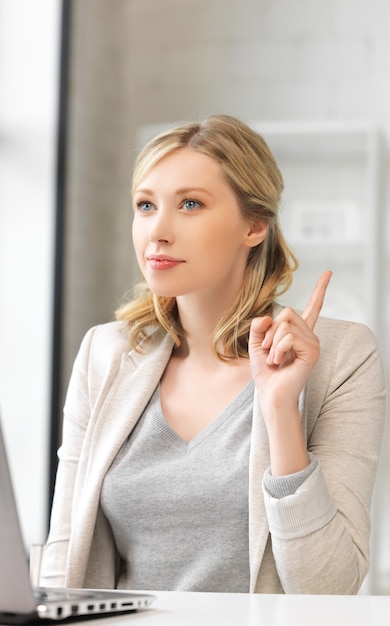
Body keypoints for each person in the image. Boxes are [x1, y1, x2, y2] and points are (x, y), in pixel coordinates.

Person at [40, 114, 386, 594]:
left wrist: (281, 409)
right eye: (145, 205)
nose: (157, 231)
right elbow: (65, 554)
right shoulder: (106, 354)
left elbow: (329, 587)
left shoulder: (343, 357)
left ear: (254, 224)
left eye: (190, 204)